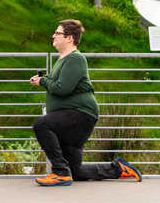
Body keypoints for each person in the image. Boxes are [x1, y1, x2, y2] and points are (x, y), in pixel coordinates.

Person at [30, 19, 142, 186]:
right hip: (73, 117)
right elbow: (59, 85)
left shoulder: (75, 59)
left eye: (57, 33)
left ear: (69, 38)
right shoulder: (63, 59)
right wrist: (44, 80)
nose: (53, 36)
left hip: (80, 114)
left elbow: (63, 88)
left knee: (41, 125)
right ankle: (118, 168)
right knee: (76, 172)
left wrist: (43, 82)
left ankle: (60, 172)